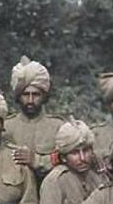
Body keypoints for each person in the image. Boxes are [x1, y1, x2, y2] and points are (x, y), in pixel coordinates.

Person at [4, 56, 67, 184]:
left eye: (36, 94)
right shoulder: (6, 127)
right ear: (18, 97)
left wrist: (37, 161)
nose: (31, 100)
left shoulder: (59, 127)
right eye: (26, 95)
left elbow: (66, 159)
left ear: (44, 96)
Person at [40, 120, 108, 204]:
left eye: (86, 150)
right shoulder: (55, 181)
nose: (82, 158)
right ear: (63, 157)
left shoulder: (97, 176)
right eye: (74, 153)